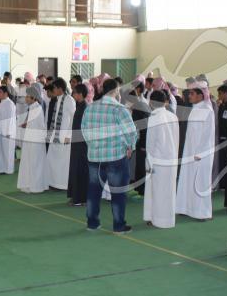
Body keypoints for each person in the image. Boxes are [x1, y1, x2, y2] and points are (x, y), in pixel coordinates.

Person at [81, 79, 138, 233]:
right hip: (115, 156)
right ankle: (119, 225)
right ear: (116, 90)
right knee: (118, 193)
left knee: (94, 190)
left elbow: (84, 130)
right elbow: (131, 132)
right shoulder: (119, 109)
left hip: (95, 157)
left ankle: (92, 223)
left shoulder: (90, 108)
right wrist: (130, 146)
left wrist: (92, 145)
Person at [176, 82, 215, 221]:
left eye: (192, 93)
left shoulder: (207, 110)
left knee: (200, 182)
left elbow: (207, 135)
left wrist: (200, 153)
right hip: (189, 152)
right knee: (187, 179)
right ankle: (184, 207)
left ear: (200, 95)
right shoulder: (194, 108)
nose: (189, 96)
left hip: (201, 154)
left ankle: (201, 212)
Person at [144, 90, 179, 229]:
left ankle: (158, 220)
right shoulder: (173, 116)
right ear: (165, 102)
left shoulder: (154, 117)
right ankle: (167, 219)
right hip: (171, 159)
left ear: (151, 103)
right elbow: (177, 139)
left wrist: (148, 162)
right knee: (168, 191)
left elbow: (150, 143)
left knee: (157, 191)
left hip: (157, 160)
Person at [46, 78, 75, 190]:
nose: (53, 90)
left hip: (64, 136)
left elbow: (73, 119)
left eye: (54, 88)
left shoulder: (69, 99)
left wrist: (69, 135)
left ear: (60, 88)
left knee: (62, 162)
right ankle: (52, 182)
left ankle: (62, 185)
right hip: (55, 135)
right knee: (52, 159)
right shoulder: (57, 99)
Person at [17, 86, 48, 193]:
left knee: (35, 163)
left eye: (27, 96)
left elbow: (40, 127)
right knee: (29, 162)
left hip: (35, 142)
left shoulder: (37, 108)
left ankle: (36, 186)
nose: (26, 98)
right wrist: (26, 124)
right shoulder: (33, 108)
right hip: (30, 140)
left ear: (33, 98)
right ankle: (29, 184)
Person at [67, 83, 90, 206]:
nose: (73, 94)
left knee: (81, 170)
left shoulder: (85, 107)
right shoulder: (79, 106)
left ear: (80, 94)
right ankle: (76, 196)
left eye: (75, 92)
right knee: (75, 169)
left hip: (82, 144)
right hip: (76, 143)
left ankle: (82, 198)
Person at [0, 86, 17, 175]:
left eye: (0, 92)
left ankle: (7, 169)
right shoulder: (2, 103)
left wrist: (8, 132)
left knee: (7, 151)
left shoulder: (10, 104)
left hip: (7, 132)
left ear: (6, 93)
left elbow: (10, 120)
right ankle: (0, 168)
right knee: (0, 151)